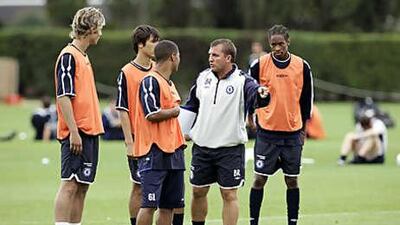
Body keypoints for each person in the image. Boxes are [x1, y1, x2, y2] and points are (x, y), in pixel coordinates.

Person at [181, 38, 269, 225]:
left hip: (230, 149)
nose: (210, 59)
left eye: (215, 55)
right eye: (209, 55)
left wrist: (263, 94)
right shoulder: (203, 77)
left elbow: (256, 94)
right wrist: (180, 133)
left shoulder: (242, 80)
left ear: (228, 58)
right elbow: (191, 106)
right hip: (202, 147)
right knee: (197, 191)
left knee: (229, 194)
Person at [248, 25, 314, 225]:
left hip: (292, 133)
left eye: (281, 44)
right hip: (267, 132)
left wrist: (304, 129)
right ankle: (253, 221)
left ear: (288, 42)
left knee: (292, 180)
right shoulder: (259, 65)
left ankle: (292, 221)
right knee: (259, 179)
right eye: (273, 44)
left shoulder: (302, 66)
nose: (277, 48)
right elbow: (249, 93)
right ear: (269, 44)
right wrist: (250, 118)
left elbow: (306, 99)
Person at [53, 7, 105, 225]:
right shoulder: (68, 56)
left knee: (83, 185)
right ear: (91, 29)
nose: (101, 34)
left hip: (90, 131)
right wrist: (73, 131)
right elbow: (63, 96)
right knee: (70, 183)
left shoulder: (83, 56)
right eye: (99, 29)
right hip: (77, 132)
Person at [133, 40, 186, 225]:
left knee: (169, 206)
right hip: (154, 151)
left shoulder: (169, 83)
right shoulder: (150, 80)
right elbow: (151, 112)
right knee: (148, 205)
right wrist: (174, 112)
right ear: (173, 57)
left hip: (174, 151)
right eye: (178, 56)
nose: (179, 60)